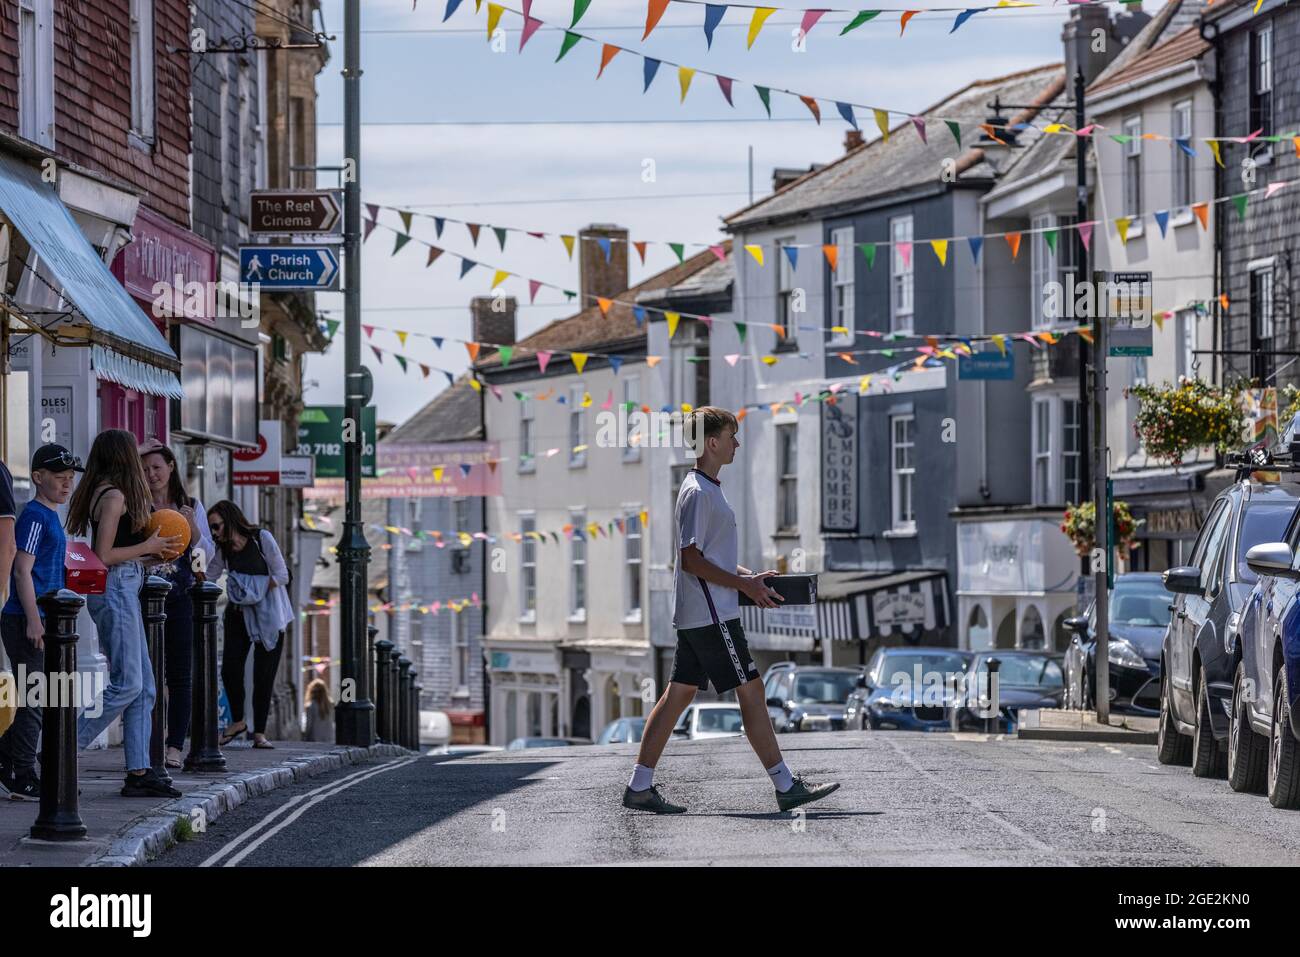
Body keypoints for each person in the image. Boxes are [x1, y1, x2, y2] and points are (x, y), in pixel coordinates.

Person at [623, 407, 840, 814]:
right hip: (712, 615)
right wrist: (743, 585)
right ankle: (785, 784)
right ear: (712, 442)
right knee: (752, 690)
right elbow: (690, 559)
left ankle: (639, 786)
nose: (736, 443)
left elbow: (709, 557)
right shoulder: (698, 492)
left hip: (702, 612)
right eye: (731, 436)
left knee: (677, 695)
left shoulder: (707, 488)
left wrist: (751, 578)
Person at [68, 430, 181, 798]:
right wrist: (148, 544)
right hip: (115, 590)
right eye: (134, 452)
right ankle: (63, 747)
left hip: (124, 585)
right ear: (122, 457)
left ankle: (139, 771)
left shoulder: (107, 490)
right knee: (128, 684)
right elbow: (103, 557)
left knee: (145, 687)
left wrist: (151, 555)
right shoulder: (114, 496)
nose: (140, 460)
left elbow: (119, 550)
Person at [0, 445, 81, 800]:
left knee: (40, 695)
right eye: (60, 478)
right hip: (27, 619)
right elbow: (22, 569)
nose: (67, 485)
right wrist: (35, 621)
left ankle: (9, 762)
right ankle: (22, 772)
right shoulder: (34, 516)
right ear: (37, 478)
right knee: (34, 697)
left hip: (47, 619)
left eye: (70, 479)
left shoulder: (51, 516)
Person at [140, 439, 215, 769]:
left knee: (180, 677)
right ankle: (148, 744)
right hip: (143, 599)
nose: (151, 474)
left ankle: (174, 747)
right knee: (147, 677)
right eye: (144, 469)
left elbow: (205, 559)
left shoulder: (190, 505)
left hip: (180, 598)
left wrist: (195, 530)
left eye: (157, 467)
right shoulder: (136, 505)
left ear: (171, 467)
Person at [207, 501, 292, 749]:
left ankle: (260, 733)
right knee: (230, 670)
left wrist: (253, 589)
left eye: (217, 526)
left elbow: (282, 574)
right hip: (238, 614)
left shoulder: (261, 538)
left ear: (229, 520)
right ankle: (238, 722)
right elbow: (210, 575)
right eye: (211, 528)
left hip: (269, 614)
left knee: (263, 675)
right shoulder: (223, 549)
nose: (214, 532)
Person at [302, 678, 334, 743]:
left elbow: (308, 726)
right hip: (329, 738)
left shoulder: (311, 706)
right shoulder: (330, 705)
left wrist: (305, 738)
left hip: (315, 739)